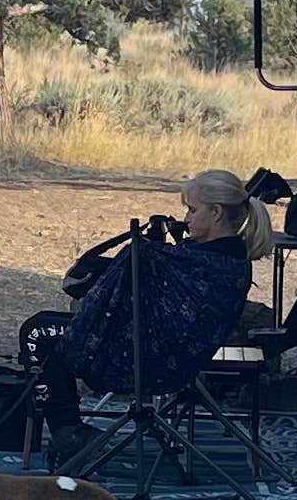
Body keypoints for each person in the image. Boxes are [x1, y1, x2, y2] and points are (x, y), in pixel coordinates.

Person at [52, 167, 265, 402]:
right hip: (180, 366)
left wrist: (149, 248)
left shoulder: (187, 260)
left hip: (143, 363)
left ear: (216, 212)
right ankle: (68, 428)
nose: (186, 219)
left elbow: (92, 290)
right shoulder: (232, 259)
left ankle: (67, 429)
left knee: (40, 331)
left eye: (192, 210)